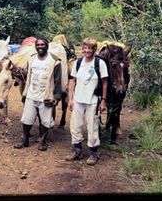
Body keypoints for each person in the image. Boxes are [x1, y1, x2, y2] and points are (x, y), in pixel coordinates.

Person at [13, 37, 62, 151]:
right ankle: (24, 139)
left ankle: (43, 140)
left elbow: (58, 80)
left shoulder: (55, 61)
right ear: (35, 47)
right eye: (38, 45)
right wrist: (25, 92)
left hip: (46, 95)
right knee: (27, 118)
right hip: (31, 93)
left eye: (42, 45)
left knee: (46, 120)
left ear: (47, 46)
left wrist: (56, 96)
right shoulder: (32, 59)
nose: (40, 47)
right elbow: (29, 76)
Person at [66, 37, 108, 165]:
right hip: (78, 99)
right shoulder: (78, 63)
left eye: (90, 48)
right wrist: (71, 99)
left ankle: (93, 153)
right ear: (82, 49)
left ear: (94, 49)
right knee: (75, 125)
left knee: (92, 126)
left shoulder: (99, 63)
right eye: (85, 48)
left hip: (93, 100)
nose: (87, 50)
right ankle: (77, 150)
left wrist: (103, 101)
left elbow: (105, 82)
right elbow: (72, 81)